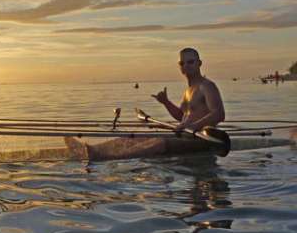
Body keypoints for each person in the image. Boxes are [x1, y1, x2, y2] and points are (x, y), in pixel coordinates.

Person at [67, 48, 227, 160]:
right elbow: (182, 116)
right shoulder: (188, 90)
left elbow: (219, 114)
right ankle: (94, 150)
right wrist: (166, 102)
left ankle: (107, 157)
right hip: (184, 135)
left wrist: (192, 126)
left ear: (199, 63)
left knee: (159, 142)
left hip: (200, 140)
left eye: (190, 62)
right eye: (182, 63)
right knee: (139, 136)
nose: (186, 66)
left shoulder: (207, 86)